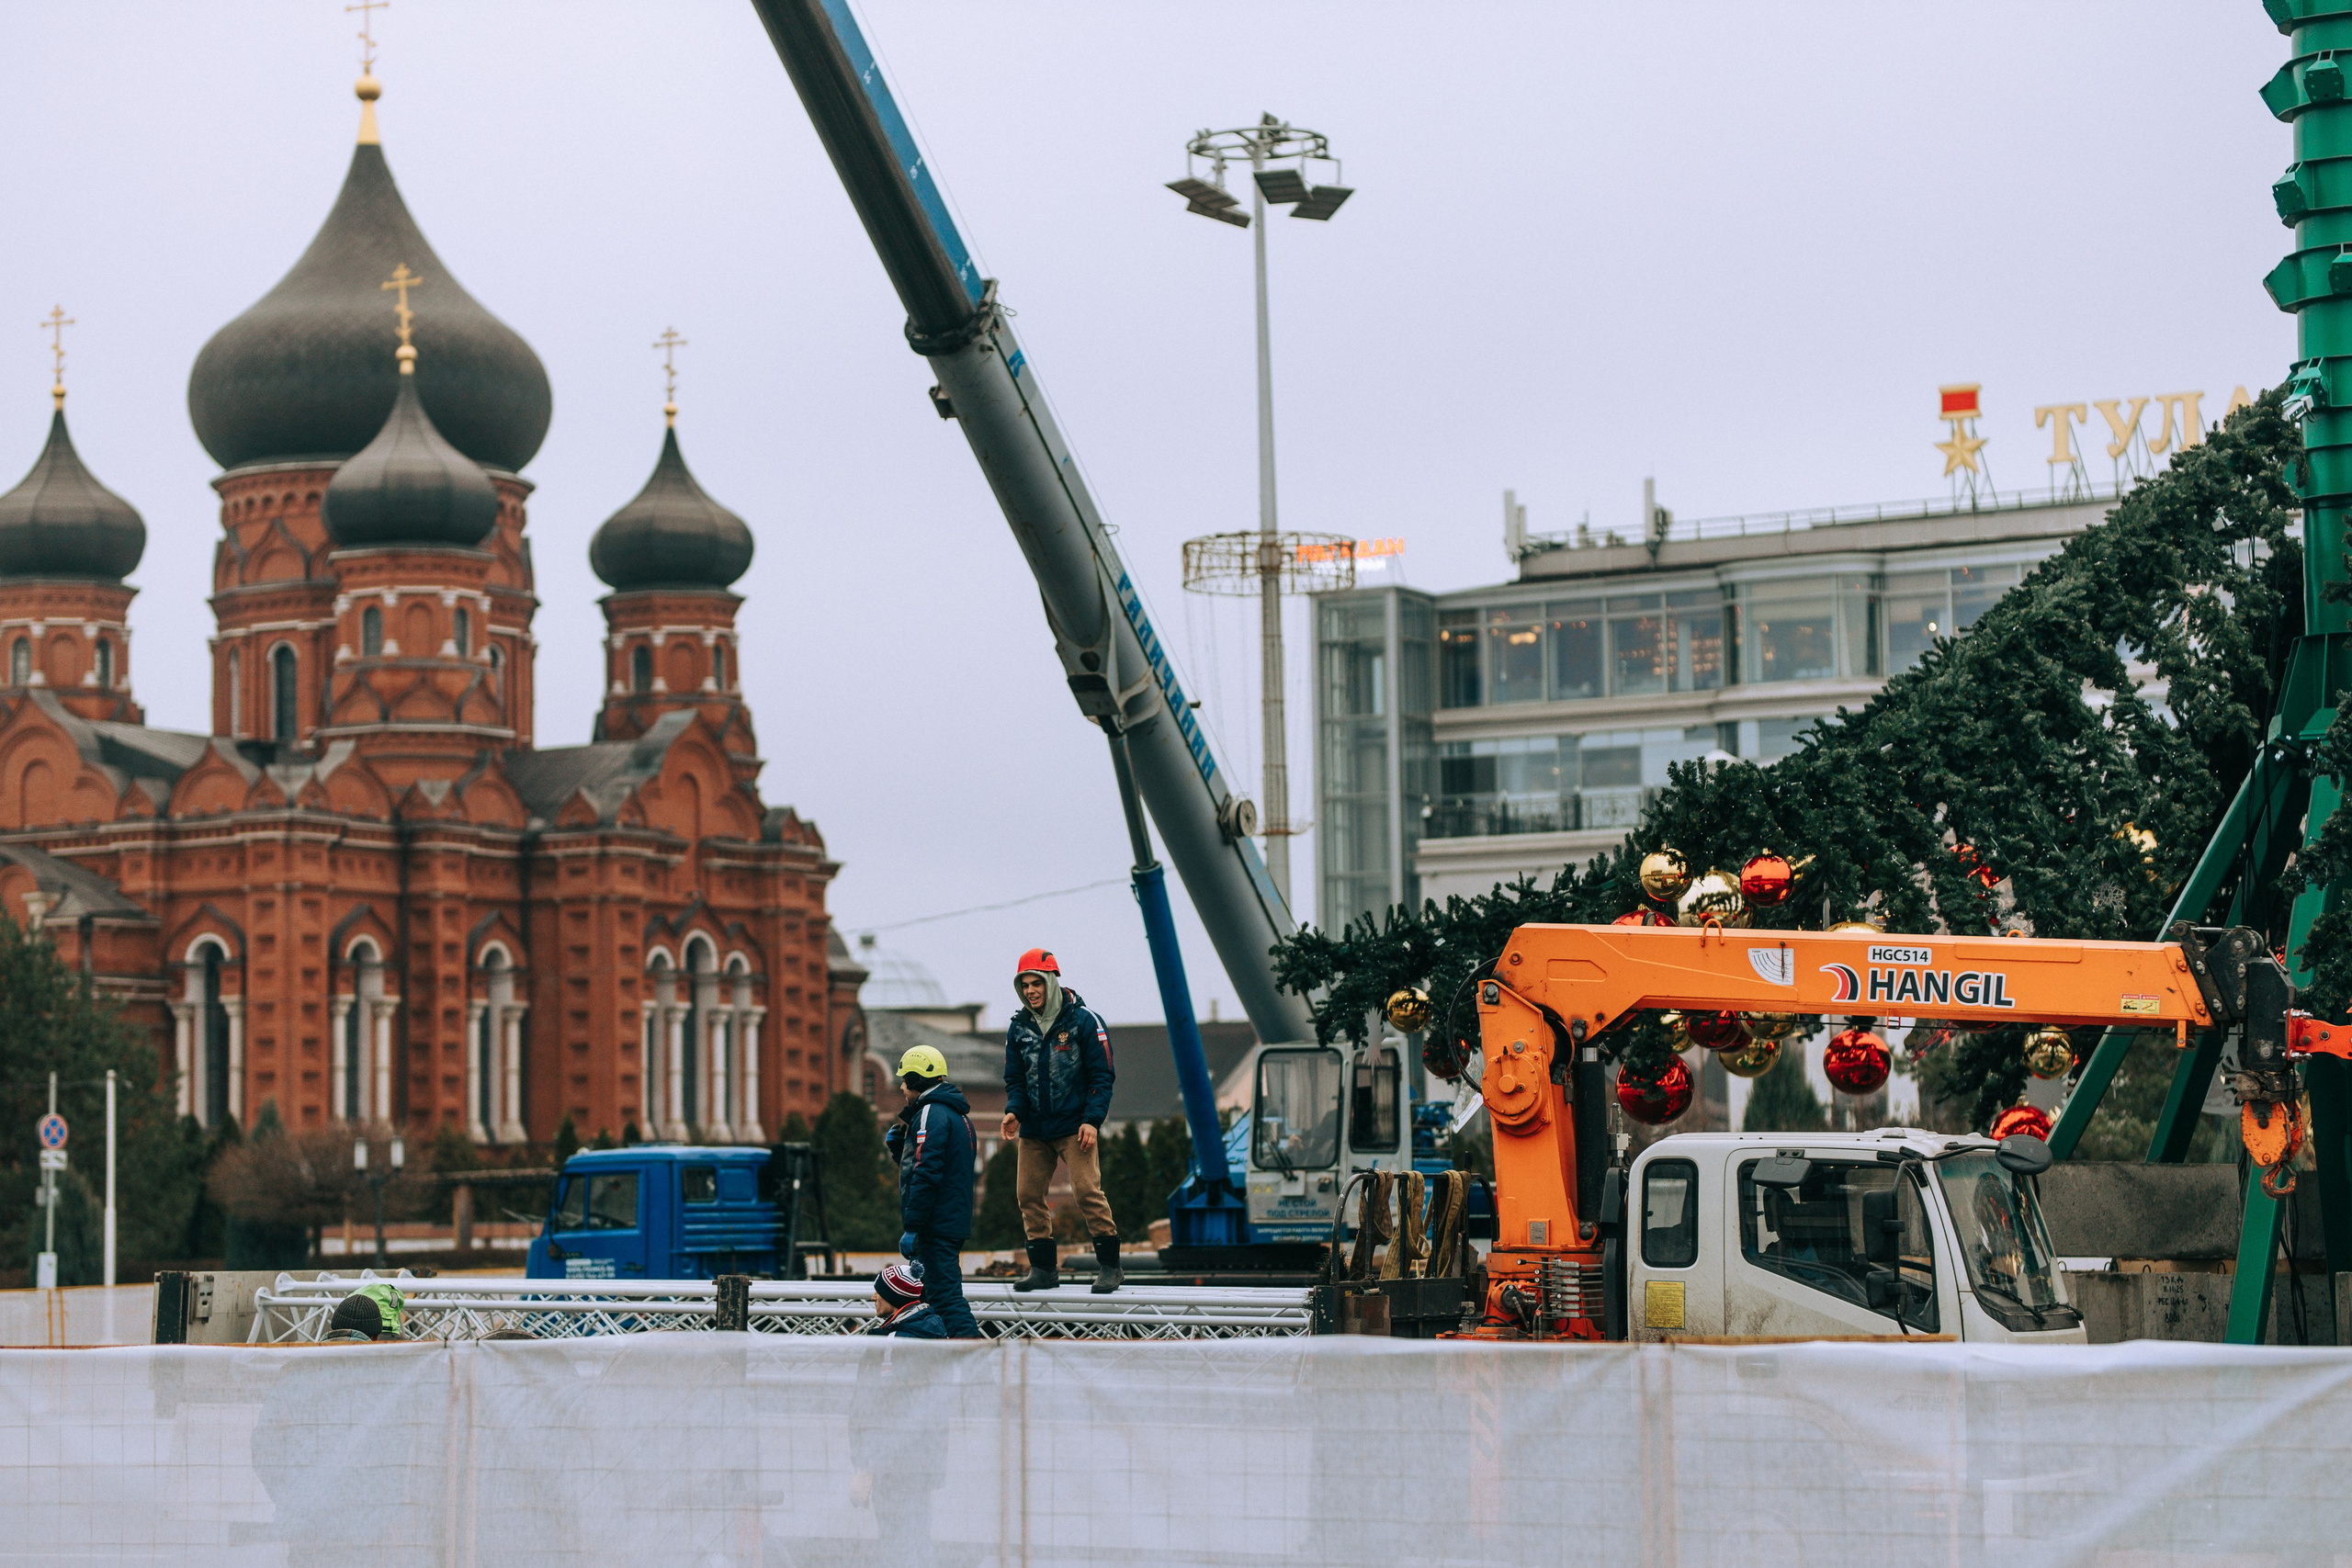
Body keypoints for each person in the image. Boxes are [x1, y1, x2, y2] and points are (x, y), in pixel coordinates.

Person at [1001, 948, 1121, 1292]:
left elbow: (1102, 1076)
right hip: (1035, 1129)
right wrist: (1014, 1111)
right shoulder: (1018, 1028)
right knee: (1027, 1195)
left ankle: (1111, 1267)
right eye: (1024, 985)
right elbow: (1016, 1080)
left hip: (1075, 1126)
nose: (1030, 991)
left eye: (1036, 983)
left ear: (1051, 982)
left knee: (1086, 1191)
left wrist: (1092, 1121)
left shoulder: (1084, 1022)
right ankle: (1043, 1269)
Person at [884, 1043, 981, 1338]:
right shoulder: (957, 1116)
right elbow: (935, 1165)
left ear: (916, 1080)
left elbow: (926, 1172)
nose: (902, 1086)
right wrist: (900, 1149)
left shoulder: (930, 1113)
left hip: (934, 1225)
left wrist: (913, 1227)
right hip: (949, 1221)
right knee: (933, 1300)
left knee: (945, 1300)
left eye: (905, 1080)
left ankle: (977, 1362)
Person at [860, 1259, 947, 1338]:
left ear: (892, 1297)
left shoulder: (896, 1339)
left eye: (878, 1293)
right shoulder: (932, 1325)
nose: (873, 1298)